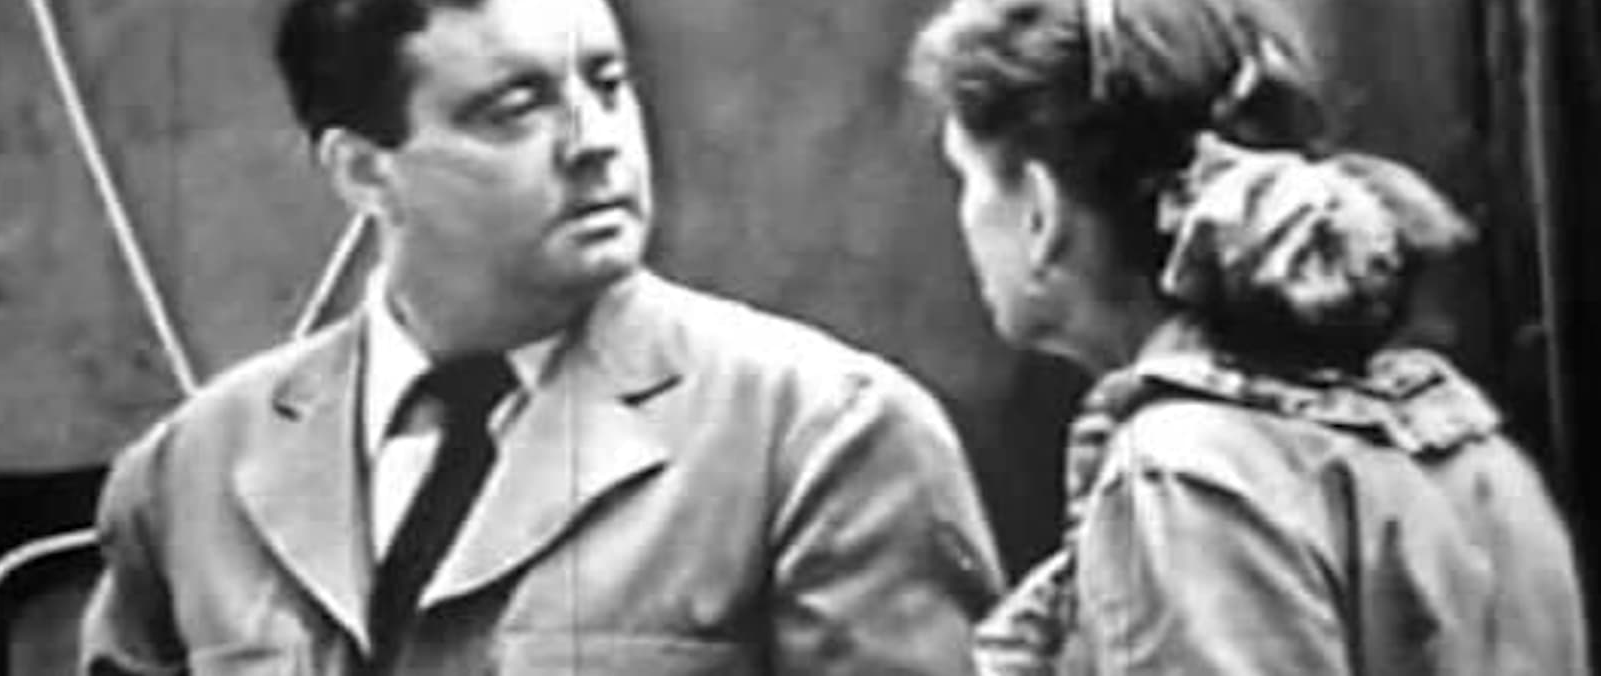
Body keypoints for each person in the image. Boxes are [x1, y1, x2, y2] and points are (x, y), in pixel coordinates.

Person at [78, 0, 1006, 673]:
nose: (595, 140)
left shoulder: (818, 436)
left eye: (607, 83)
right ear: (363, 171)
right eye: (514, 108)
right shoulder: (192, 472)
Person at [907, 0, 1589, 674]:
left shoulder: (1188, 473)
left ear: (1041, 211)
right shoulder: (1467, 443)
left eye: (967, 179)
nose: (965, 216)